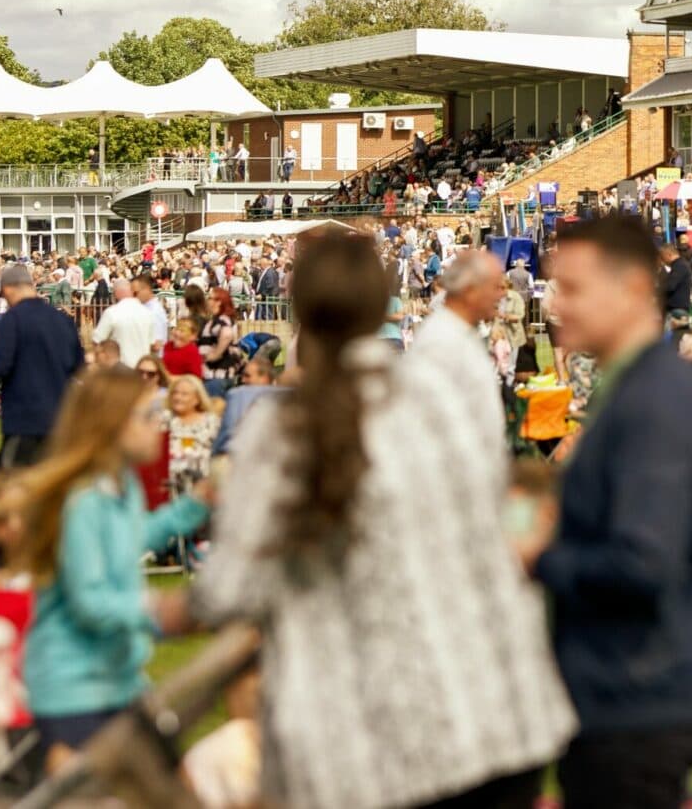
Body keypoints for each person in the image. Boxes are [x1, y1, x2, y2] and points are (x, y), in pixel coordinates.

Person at [189, 231, 573, 809]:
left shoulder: (285, 431)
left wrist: (159, 608)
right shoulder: (437, 392)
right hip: (499, 710)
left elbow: (231, 588)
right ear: (382, 306)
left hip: (388, 740)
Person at [525, 215, 692, 808]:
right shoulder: (636, 390)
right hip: (627, 685)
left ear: (629, 289)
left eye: (571, 287)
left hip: (640, 691)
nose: (555, 303)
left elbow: (643, 561)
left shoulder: (655, 402)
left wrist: (540, 555)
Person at [16, 366, 211, 762]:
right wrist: (158, 611)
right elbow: (90, 601)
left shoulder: (122, 483)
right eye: (147, 415)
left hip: (119, 679)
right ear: (114, 425)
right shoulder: (85, 499)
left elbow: (132, 538)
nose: (158, 423)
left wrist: (195, 506)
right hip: (75, 689)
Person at [0, 264, 86, 469]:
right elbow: (79, 366)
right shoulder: (62, 320)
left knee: (17, 484)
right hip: (60, 417)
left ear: (9, 289)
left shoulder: (13, 319)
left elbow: (1, 366)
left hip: (24, 420)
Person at [412, 249, 507, 397]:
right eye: (495, 287)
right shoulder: (440, 340)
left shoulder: (465, 331)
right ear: (471, 290)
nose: (502, 294)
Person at [90, 274, 159, 375]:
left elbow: (97, 341)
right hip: (142, 371)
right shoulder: (148, 313)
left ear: (116, 293)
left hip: (118, 371)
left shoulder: (112, 312)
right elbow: (153, 345)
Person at [658, 242, 692, 319]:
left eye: (662, 256)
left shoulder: (680, 266)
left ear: (668, 254)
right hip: (676, 308)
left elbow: (670, 286)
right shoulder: (679, 265)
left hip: (677, 308)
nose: (662, 260)